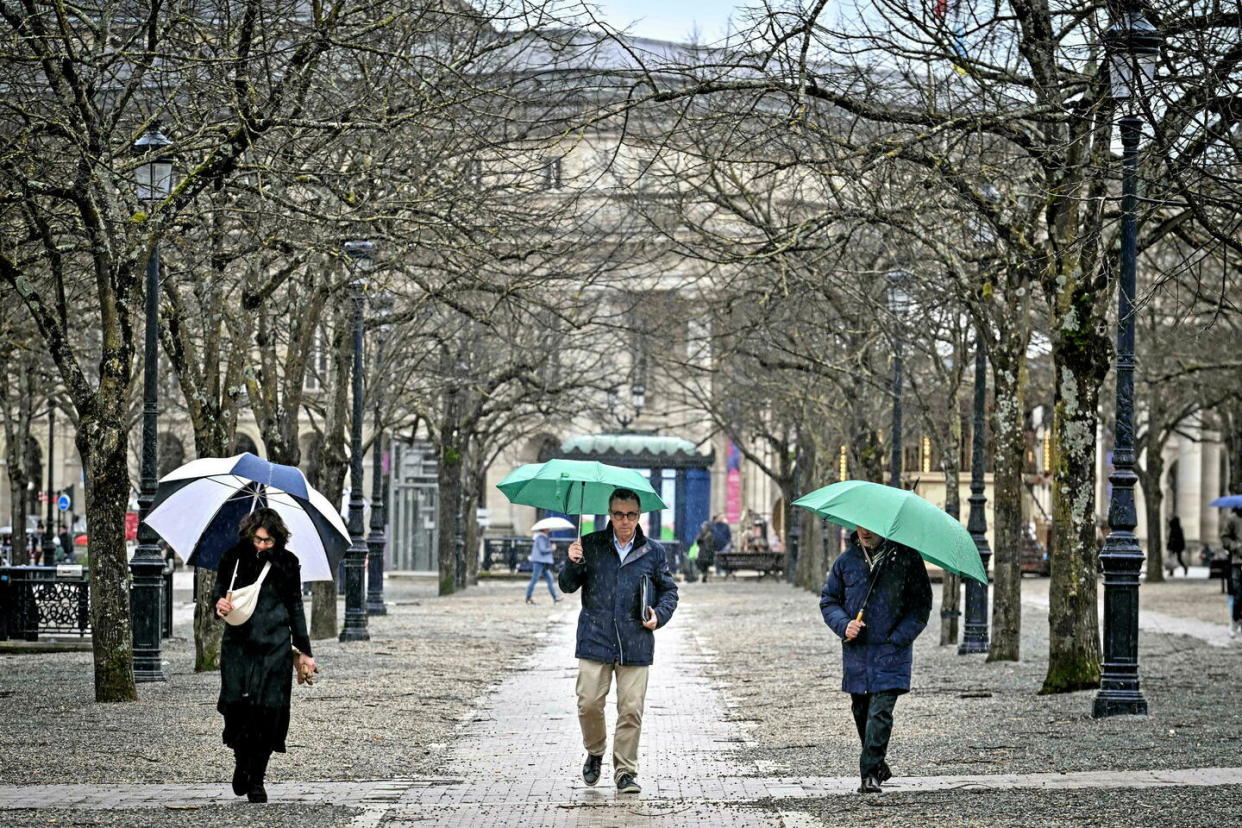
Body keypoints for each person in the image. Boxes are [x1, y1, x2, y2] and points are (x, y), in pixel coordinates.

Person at [559, 488, 678, 795]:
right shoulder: (591, 544)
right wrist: (572, 562)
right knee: (588, 703)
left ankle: (625, 771)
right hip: (595, 637)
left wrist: (659, 615)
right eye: (618, 514)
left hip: (635, 640)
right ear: (609, 514)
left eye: (631, 515)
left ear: (639, 516)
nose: (625, 521)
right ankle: (595, 750)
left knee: (631, 710)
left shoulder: (653, 551)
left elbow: (669, 591)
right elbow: (568, 586)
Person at [819, 524, 932, 794]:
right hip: (857, 652)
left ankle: (869, 775)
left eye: (871, 528)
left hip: (892, 651)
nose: (864, 532)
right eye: (860, 527)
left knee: (880, 712)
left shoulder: (907, 559)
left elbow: (921, 605)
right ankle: (878, 763)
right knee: (861, 710)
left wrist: (898, 638)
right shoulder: (846, 562)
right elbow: (829, 600)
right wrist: (845, 625)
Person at [214, 508, 316, 803]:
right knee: (237, 708)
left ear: (278, 539)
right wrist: (218, 604)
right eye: (258, 539)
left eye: (268, 541)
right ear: (250, 533)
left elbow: (295, 607)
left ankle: (257, 778)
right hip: (238, 646)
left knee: (268, 713)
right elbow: (219, 592)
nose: (261, 545)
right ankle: (241, 761)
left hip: (275, 648)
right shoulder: (232, 557)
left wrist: (305, 651)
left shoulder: (287, 563)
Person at [525, 526, 562, 604]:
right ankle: (528, 597)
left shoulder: (542, 537)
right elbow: (543, 550)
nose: (548, 530)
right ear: (544, 529)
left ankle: (555, 597)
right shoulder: (541, 537)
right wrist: (552, 548)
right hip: (539, 561)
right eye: (547, 529)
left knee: (550, 579)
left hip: (543, 562)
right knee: (534, 580)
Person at [1221, 508, 1242, 637]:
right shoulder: (1233, 519)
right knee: (1238, 594)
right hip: (1238, 561)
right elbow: (1224, 537)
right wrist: (1235, 546)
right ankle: (1235, 621)